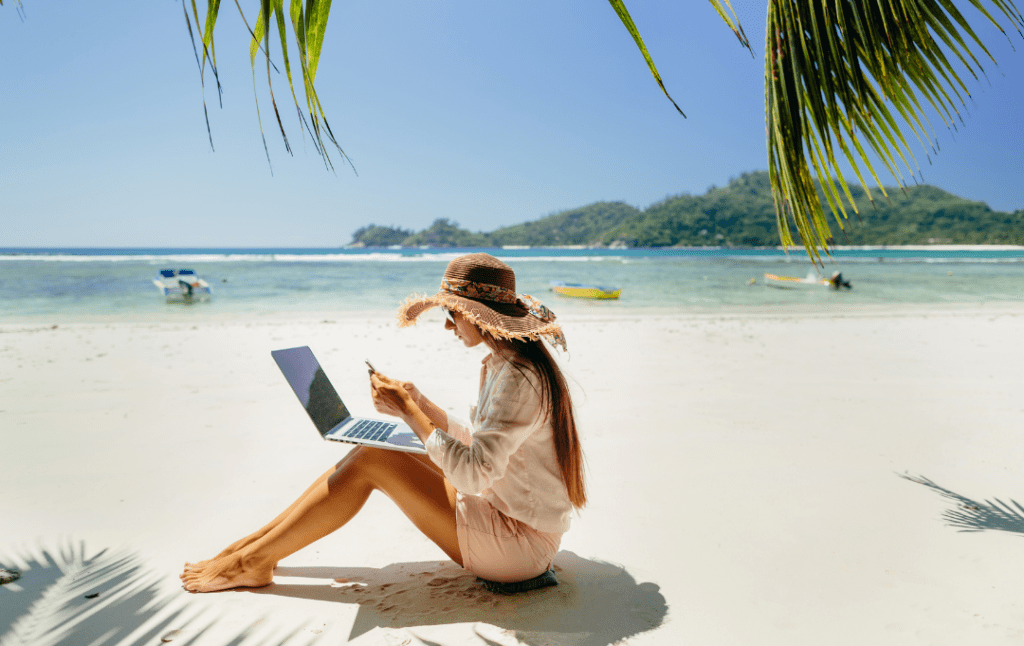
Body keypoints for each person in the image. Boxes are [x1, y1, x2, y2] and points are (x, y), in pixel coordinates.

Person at [180, 253, 586, 593]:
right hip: (510, 516)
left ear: (476, 316)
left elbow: (474, 475)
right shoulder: (507, 364)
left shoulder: (518, 377)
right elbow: (482, 445)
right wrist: (421, 403)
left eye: (451, 313)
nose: (448, 325)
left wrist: (409, 412)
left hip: (518, 548)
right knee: (371, 451)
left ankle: (252, 561)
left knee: (376, 459)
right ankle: (252, 548)